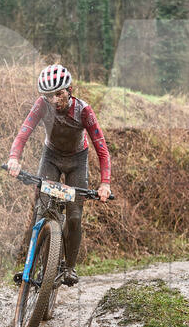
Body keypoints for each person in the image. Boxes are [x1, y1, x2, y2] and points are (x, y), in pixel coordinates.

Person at [7, 64, 112, 286]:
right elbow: (24, 131)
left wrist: (105, 183)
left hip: (77, 161)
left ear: (69, 89)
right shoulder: (41, 106)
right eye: (48, 95)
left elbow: (101, 146)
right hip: (51, 157)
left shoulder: (83, 110)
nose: (54, 100)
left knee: (74, 217)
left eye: (59, 94)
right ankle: (31, 263)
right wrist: (14, 158)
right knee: (41, 208)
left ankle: (69, 267)